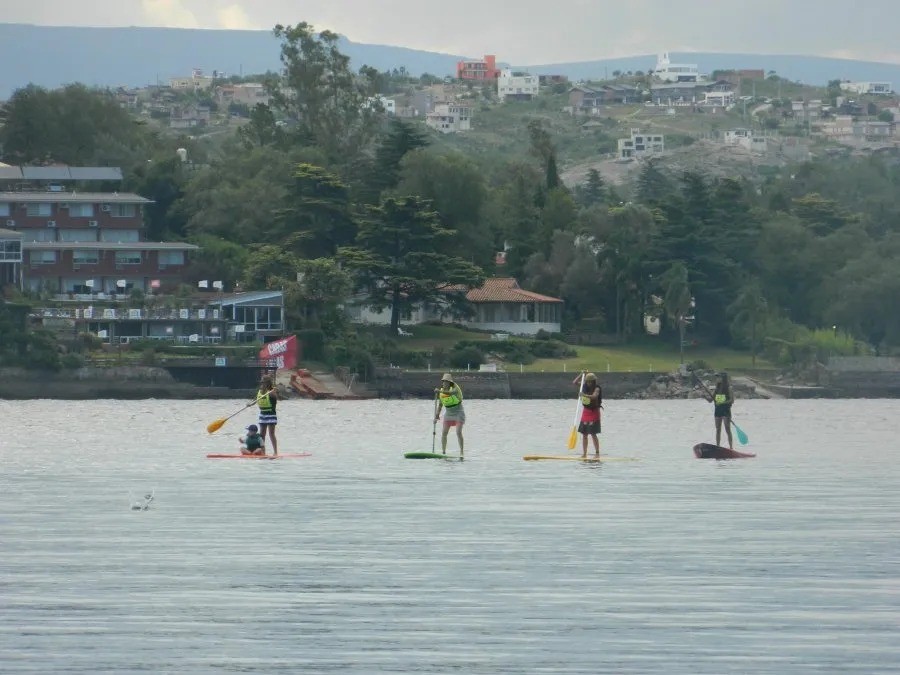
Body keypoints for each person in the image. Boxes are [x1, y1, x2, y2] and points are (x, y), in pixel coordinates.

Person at [572, 371, 602, 457]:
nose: (588, 383)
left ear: (593, 382)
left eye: (590, 382)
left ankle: (597, 453)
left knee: (593, 433)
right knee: (584, 434)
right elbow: (574, 382)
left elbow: (594, 396)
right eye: (587, 381)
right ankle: (584, 453)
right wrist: (581, 374)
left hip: (594, 412)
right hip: (586, 412)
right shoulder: (584, 385)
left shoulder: (597, 388)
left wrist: (583, 395)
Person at [435, 373, 465, 455]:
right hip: (448, 413)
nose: (444, 383)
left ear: (450, 383)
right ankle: (443, 452)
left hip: (459, 412)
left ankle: (461, 452)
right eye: (443, 382)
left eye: (446, 382)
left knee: (458, 432)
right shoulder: (441, 392)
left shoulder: (455, 388)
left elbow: (450, 393)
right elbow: (440, 405)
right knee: (444, 433)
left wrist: (439, 391)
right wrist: (437, 414)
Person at [708, 371, 734, 449]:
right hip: (718, 411)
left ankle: (731, 447)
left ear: (723, 378)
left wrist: (721, 403)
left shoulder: (729, 388)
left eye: (718, 377)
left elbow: (731, 400)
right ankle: (718, 446)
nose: (717, 379)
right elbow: (710, 400)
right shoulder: (716, 389)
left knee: (727, 428)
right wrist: (704, 396)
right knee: (718, 429)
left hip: (725, 410)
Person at [256, 375, 278, 456]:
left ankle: (275, 452)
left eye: (263, 382)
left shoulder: (272, 391)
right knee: (262, 434)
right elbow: (256, 399)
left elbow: (276, 398)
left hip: (271, 414)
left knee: (271, 433)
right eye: (261, 383)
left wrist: (273, 392)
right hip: (263, 414)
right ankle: (263, 452)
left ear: (267, 383)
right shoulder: (260, 390)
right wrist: (249, 404)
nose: (262, 384)